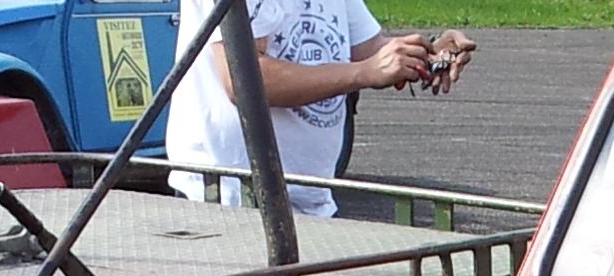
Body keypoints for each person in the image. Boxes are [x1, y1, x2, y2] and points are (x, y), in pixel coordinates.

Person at [163, 2, 478, 219]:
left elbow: (371, 50)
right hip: (231, 200)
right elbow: (243, 78)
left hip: (307, 199)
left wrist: (431, 55)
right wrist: (363, 72)